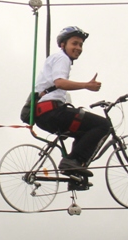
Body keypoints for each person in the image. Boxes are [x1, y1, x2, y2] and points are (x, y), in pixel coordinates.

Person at [31, 26, 111, 175]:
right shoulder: (62, 58)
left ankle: (74, 171)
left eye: (80, 45)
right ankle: (72, 161)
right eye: (74, 43)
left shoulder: (56, 59)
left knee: (85, 132)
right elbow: (60, 82)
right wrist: (87, 85)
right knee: (103, 125)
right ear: (63, 45)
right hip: (52, 111)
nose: (78, 48)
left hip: (44, 115)